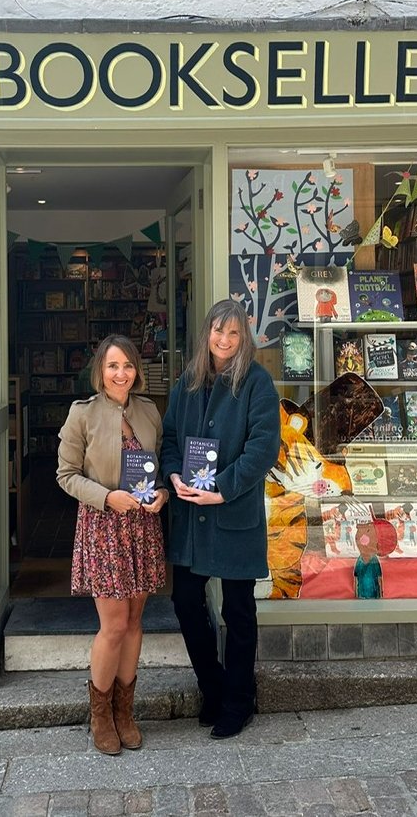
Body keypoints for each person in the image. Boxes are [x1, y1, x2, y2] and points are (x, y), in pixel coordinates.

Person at [160, 299, 280, 740]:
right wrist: (172, 473)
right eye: (218, 332)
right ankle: (212, 686)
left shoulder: (257, 383)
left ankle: (239, 700)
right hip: (192, 515)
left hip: (232, 513)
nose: (225, 341)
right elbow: (170, 437)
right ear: (207, 333)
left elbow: (263, 449)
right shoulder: (188, 382)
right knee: (186, 601)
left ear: (243, 336)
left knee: (238, 609)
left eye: (233, 333)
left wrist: (223, 488)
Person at [57, 334, 169, 755]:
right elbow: (66, 475)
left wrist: (163, 493)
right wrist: (106, 498)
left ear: (136, 370)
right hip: (104, 526)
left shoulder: (149, 410)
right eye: (112, 366)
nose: (120, 374)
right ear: (100, 371)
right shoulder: (81, 414)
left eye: (127, 366)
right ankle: (100, 714)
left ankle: (125, 711)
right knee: (114, 624)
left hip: (141, 527)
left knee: (136, 620)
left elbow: (158, 469)